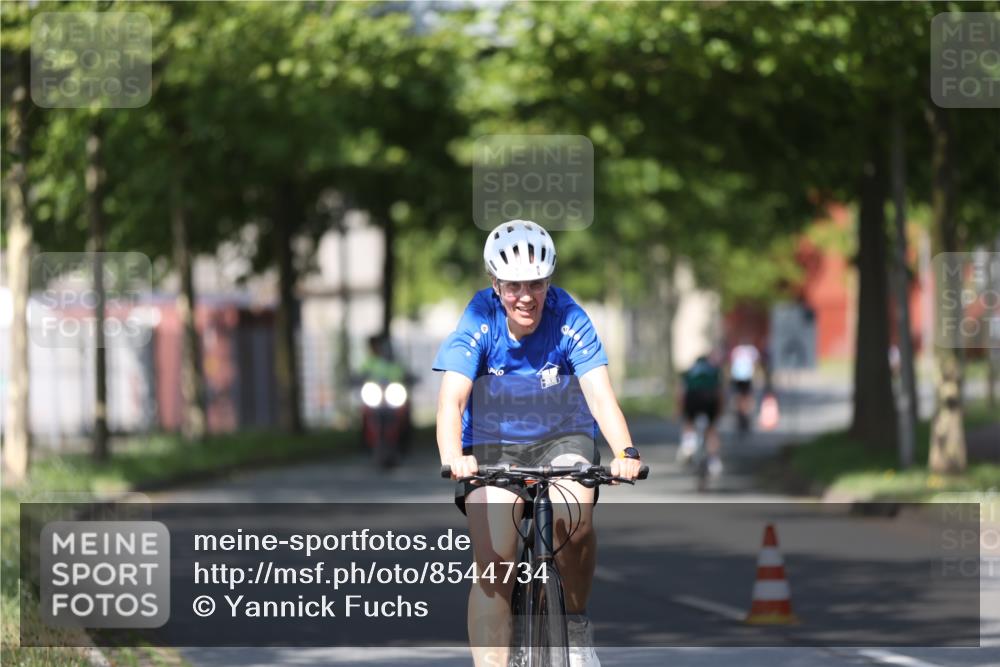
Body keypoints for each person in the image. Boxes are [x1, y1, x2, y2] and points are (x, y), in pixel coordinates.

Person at [433, 220, 642, 667]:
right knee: (495, 562)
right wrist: (454, 457)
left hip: (562, 436)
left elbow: (600, 395)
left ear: (549, 281)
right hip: (491, 445)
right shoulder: (479, 319)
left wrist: (625, 453)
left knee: (574, 519)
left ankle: (576, 627)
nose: (525, 296)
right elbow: (452, 399)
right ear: (496, 284)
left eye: (536, 284)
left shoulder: (569, 318)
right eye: (513, 286)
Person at [677, 353, 724, 476]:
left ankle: (688, 445)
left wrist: (680, 410)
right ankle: (714, 460)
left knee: (689, 422)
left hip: (692, 397)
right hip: (709, 398)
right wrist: (719, 412)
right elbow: (719, 393)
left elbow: (681, 393)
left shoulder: (689, 372)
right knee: (711, 429)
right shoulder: (713, 372)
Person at [728, 338, 760, 434]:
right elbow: (756, 362)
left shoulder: (737, 350)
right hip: (746, 376)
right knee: (746, 396)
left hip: (737, 376)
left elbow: (731, 362)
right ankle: (745, 412)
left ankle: (741, 412)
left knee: (739, 396)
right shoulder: (752, 349)